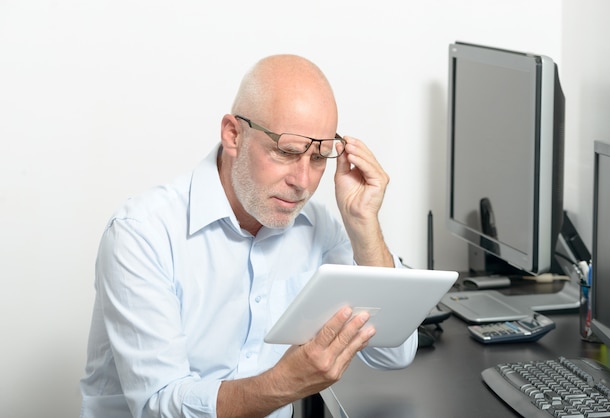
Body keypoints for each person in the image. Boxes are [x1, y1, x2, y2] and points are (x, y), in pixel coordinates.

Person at [80, 54, 418, 418]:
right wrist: (283, 384)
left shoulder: (319, 228)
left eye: (319, 158)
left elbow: (393, 352)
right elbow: (158, 405)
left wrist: (363, 223)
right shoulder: (141, 234)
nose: (303, 181)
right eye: (287, 152)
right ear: (233, 135)